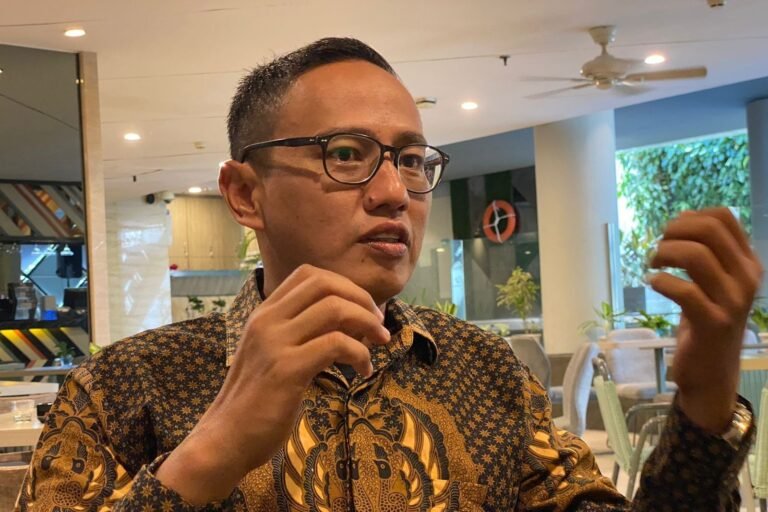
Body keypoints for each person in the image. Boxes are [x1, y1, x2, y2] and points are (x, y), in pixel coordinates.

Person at [16, 37, 761, 511]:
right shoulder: (125, 387)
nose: (394, 191)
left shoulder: (485, 372)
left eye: (410, 159)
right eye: (346, 154)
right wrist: (212, 452)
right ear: (245, 194)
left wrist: (702, 407)